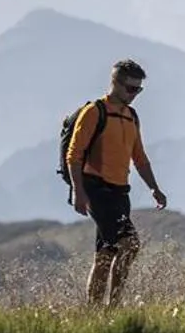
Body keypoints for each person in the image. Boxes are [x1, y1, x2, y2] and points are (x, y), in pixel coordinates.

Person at [65, 58, 168, 307]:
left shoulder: (131, 116)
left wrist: (154, 187)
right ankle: (114, 308)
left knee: (106, 253)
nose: (134, 95)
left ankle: (92, 315)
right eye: (131, 89)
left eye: (139, 90)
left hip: (120, 191)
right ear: (116, 83)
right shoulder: (94, 112)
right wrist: (79, 192)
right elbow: (74, 154)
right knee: (130, 245)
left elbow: (139, 158)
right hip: (96, 188)